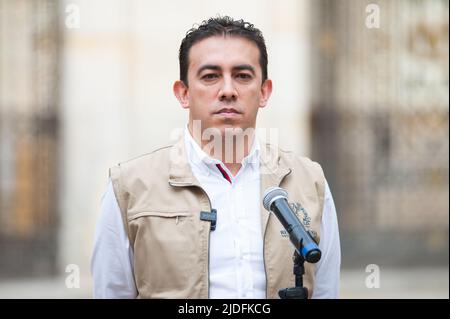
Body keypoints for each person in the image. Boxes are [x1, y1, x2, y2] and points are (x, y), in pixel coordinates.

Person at [91, 16, 341, 299]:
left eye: (242, 76)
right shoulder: (129, 186)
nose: (227, 91)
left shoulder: (309, 181)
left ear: (264, 92)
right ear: (183, 93)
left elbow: (325, 291)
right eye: (210, 76)